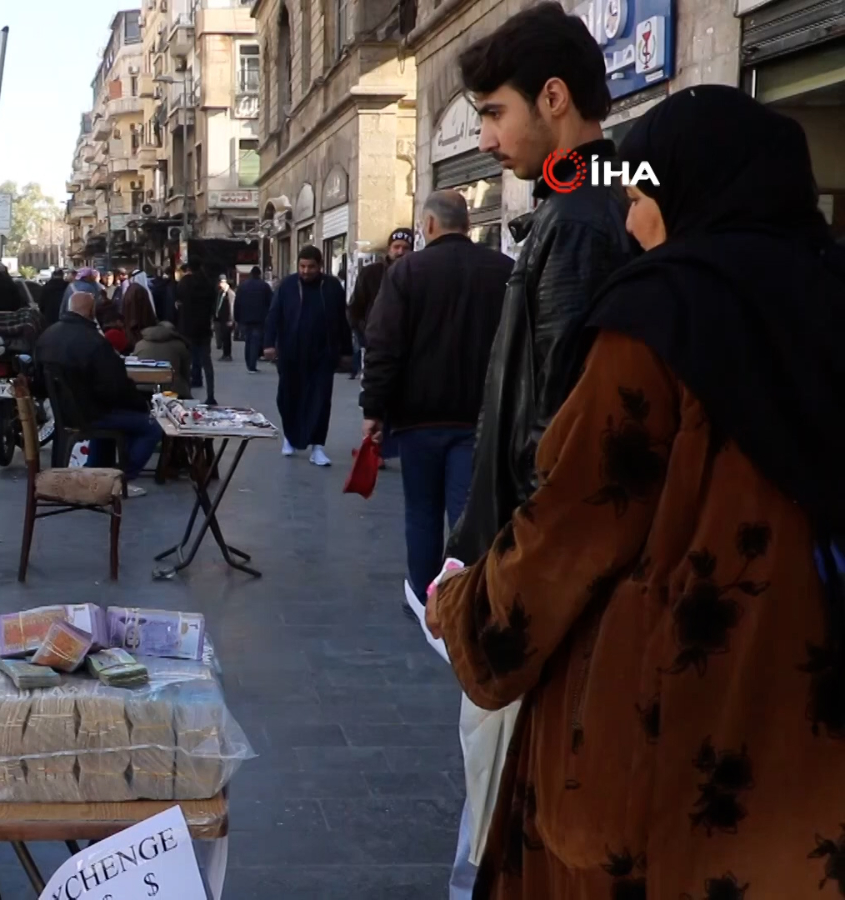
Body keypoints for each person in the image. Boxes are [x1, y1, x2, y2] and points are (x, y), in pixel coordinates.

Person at [428, 85, 845, 900]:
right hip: (810, 729)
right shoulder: (827, 297)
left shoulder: (663, 316)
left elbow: (572, 528)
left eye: (641, 197)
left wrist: (464, 614)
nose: (631, 222)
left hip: (669, 726)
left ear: (688, 188)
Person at [439, 6, 636, 897]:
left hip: (539, 583)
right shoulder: (583, 203)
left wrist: (501, 583)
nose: (485, 138)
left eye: (493, 113)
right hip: (529, 562)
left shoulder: (580, 221)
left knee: (506, 812)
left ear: (553, 99)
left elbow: (557, 439)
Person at [360, 192, 511, 603]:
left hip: (419, 419)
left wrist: (373, 409)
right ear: (467, 222)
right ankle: (466, 602)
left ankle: (424, 598)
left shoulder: (408, 272)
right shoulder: (504, 270)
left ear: (428, 225)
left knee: (422, 513)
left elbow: (383, 344)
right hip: (480, 418)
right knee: (467, 516)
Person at [36, 292, 163, 497]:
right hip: (92, 413)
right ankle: (121, 479)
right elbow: (115, 386)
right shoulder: (94, 341)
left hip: (64, 413)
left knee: (110, 420)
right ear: (91, 312)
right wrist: (140, 404)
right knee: (151, 427)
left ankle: (97, 473)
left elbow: (38, 381)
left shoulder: (48, 335)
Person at [264, 246, 346, 467]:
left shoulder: (332, 287)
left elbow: (342, 320)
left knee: (320, 400)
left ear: (320, 266)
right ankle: (290, 437)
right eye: (302, 266)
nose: (306, 271)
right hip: (291, 353)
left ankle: (317, 446)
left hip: (322, 355)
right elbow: (274, 315)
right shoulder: (287, 286)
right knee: (288, 397)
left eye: (311, 266)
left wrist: (346, 352)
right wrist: (269, 344)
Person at [348, 228, 414, 380]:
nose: (400, 252)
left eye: (405, 248)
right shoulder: (370, 273)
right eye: (396, 247)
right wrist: (365, 337)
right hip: (376, 348)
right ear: (389, 249)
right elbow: (354, 309)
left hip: (407, 351)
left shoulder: (417, 275)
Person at [174, 263, 217, 405]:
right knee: (207, 363)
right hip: (204, 329)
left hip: (187, 329)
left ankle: (187, 395)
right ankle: (211, 396)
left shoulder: (184, 283)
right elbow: (213, 306)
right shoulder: (208, 283)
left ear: (188, 269)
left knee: (187, 362)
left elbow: (178, 300)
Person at [132, 321, 193, 399]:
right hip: (171, 390)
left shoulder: (140, 344)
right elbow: (185, 371)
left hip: (142, 389)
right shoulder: (179, 345)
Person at [233, 266, 274, 373]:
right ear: (259, 274)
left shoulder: (243, 286)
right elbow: (271, 303)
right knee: (255, 341)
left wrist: (237, 318)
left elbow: (237, 303)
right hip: (260, 319)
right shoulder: (264, 286)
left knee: (248, 340)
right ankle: (252, 364)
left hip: (245, 318)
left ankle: (248, 363)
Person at [213, 274, 235, 361]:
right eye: (221, 282)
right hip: (221, 318)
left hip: (227, 318)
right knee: (223, 336)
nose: (221, 284)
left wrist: (231, 319)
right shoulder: (220, 292)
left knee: (227, 337)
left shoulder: (229, 293)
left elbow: (232, 306)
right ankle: (225, 353)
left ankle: (227, 354)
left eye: (223, 282)